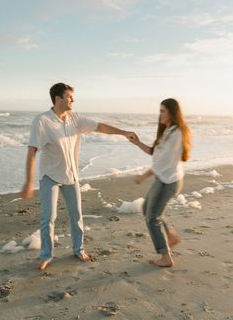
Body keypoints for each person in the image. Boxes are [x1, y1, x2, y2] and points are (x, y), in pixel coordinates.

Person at [21, 82, 136, 271]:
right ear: (58, 98)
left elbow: (101, 127)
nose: (72, 100)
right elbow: (32, 151)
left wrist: (124, 133)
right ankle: (46, 255)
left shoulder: (76, 119)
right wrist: (28, 181)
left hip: (72, 175)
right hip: (50, 176)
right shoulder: (41, 121)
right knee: (48, 217)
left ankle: (78, 249)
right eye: (69, 97)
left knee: (77, 216)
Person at [131, 98, 190, 267]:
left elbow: (162, 163)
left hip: (168, 182)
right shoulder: (168, 131)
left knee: (152, 218)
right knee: (146, 209)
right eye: (160, 111)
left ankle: (165, 257)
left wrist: (143, 176)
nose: (160, 115)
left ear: (172, 112)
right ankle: (170, 236)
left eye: (163, 111)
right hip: (163, 179)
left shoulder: (177, 133)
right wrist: (137, 143)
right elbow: (153, 152)